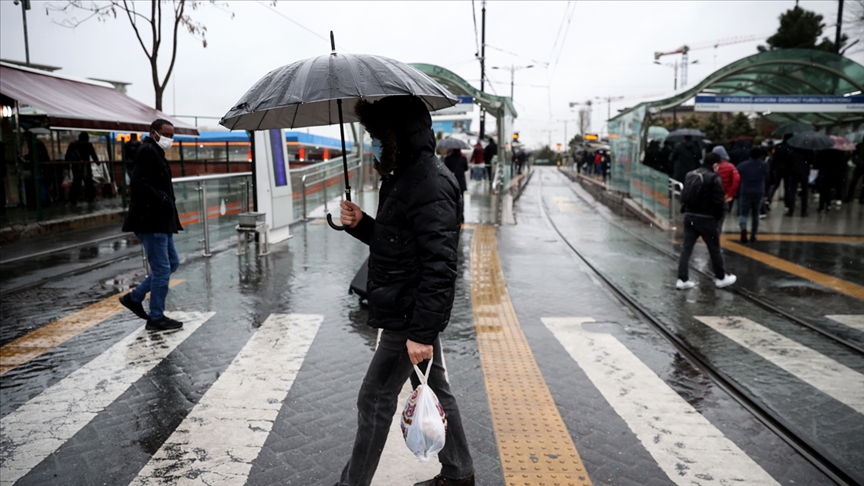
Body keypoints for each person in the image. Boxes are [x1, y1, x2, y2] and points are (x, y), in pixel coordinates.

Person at [336, 96, 474, 486]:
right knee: (433, 386)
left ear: (397, 134)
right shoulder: (406, 176)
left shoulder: (429, 181)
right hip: (408, 306)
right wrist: (362, 224)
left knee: (374, 399)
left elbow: (440, 264)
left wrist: (421, 332)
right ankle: (459, 472)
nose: (374, 144)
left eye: (378, 135)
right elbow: (398, 241)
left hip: (409, 312)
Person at [119, 119, 184, 331]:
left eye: (172, 135)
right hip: (152, 221)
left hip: (161, 221)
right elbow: (138, 184)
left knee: (172, 262)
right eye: (166, 134)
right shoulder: (147, 151)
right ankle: (156, 317)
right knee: (163, 268)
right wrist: (162, 198)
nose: (169, 139)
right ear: (154, 132)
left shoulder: (154, 151)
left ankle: (135, 297)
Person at [676, 152, 737, 290]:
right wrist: (717, 217)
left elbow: (684, 196)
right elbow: (718, 201)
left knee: (686, 248)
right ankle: (721, 277)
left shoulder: (691, 174)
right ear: (715, 164)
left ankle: (682, 279)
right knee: (714, 248)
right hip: (707, 218)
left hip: (690, 216)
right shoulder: (714, 178)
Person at [736, 147, 770, 243]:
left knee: (743, 213)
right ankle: (753, 234)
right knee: (756, 214)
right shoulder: (764, 165)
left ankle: (743, 229)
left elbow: (737, 176)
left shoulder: (742, 165)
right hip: (759, 191)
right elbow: (768, 177)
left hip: (745, 191)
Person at [712, 145, 740, 234]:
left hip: (711, 197)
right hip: (724, 196)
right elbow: (737, 180)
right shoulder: (730, 167)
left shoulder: (712, 167)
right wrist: (730, 194)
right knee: (720, 221)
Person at [65, 132, 99, 205]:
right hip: (86, 166)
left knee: (76, 183)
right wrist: (97, 162)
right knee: (88, 182)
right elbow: (93, 155)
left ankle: (73, 199)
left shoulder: (73, 144)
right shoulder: (88, 145)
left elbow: (67, 156)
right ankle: (90, 198)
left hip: (76, 167)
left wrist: (66, 166)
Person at [443, 148, 468, 223]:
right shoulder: (463, 159)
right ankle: (461, 216)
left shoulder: (448, 159)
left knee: (451, 199)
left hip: (451, 182)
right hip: (461, 182)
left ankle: (453, 216)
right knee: (461, 199)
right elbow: (466, 168)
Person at [785, 146, 811, 216]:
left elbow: (788, 164)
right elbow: (812, 161)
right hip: (804, 173)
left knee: (792, 192)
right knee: (805, 193)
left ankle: (791, 210)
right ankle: (804, 210)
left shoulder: (792, 153)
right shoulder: (807, 152)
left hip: (794, 173)